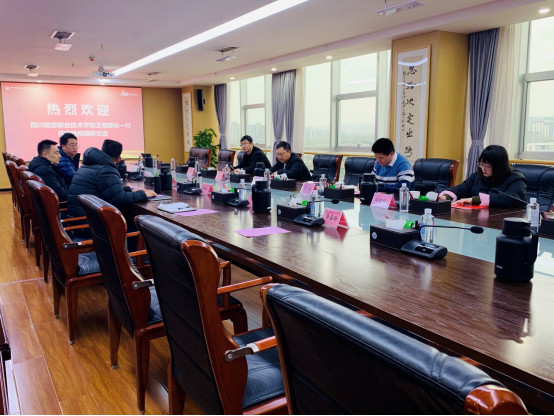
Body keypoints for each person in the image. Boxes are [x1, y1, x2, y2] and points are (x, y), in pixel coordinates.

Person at [67, 140, 157, 218]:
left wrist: (129, 190)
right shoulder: (106, 169)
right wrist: (144, 194)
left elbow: (108, 190)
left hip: (79, 217)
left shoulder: (89, 164)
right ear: (119, 160)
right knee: (141, 223)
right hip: (90, 223)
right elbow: (119, 199)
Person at [440, 145, 527, 207]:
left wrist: (475, 200)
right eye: (482, 165)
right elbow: (462, 188)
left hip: (504, 221)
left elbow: (511, 199)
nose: (483, 169)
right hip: (477, 218)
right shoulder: (477, 176)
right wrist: (445, 197)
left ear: (499, 166)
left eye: (488, 166)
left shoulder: (516, 179)